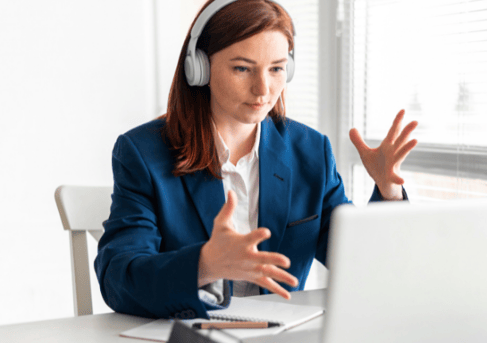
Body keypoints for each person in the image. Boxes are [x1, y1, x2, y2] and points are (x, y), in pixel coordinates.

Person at [94, 0, 418, 320]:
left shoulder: (311, 151)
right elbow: (118, 278)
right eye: (242, 68)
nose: (263, 89)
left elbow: (361, 264)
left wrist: (387, 190)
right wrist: (205, 264)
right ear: (199, 68)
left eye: (276, 69)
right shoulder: (142, 152)